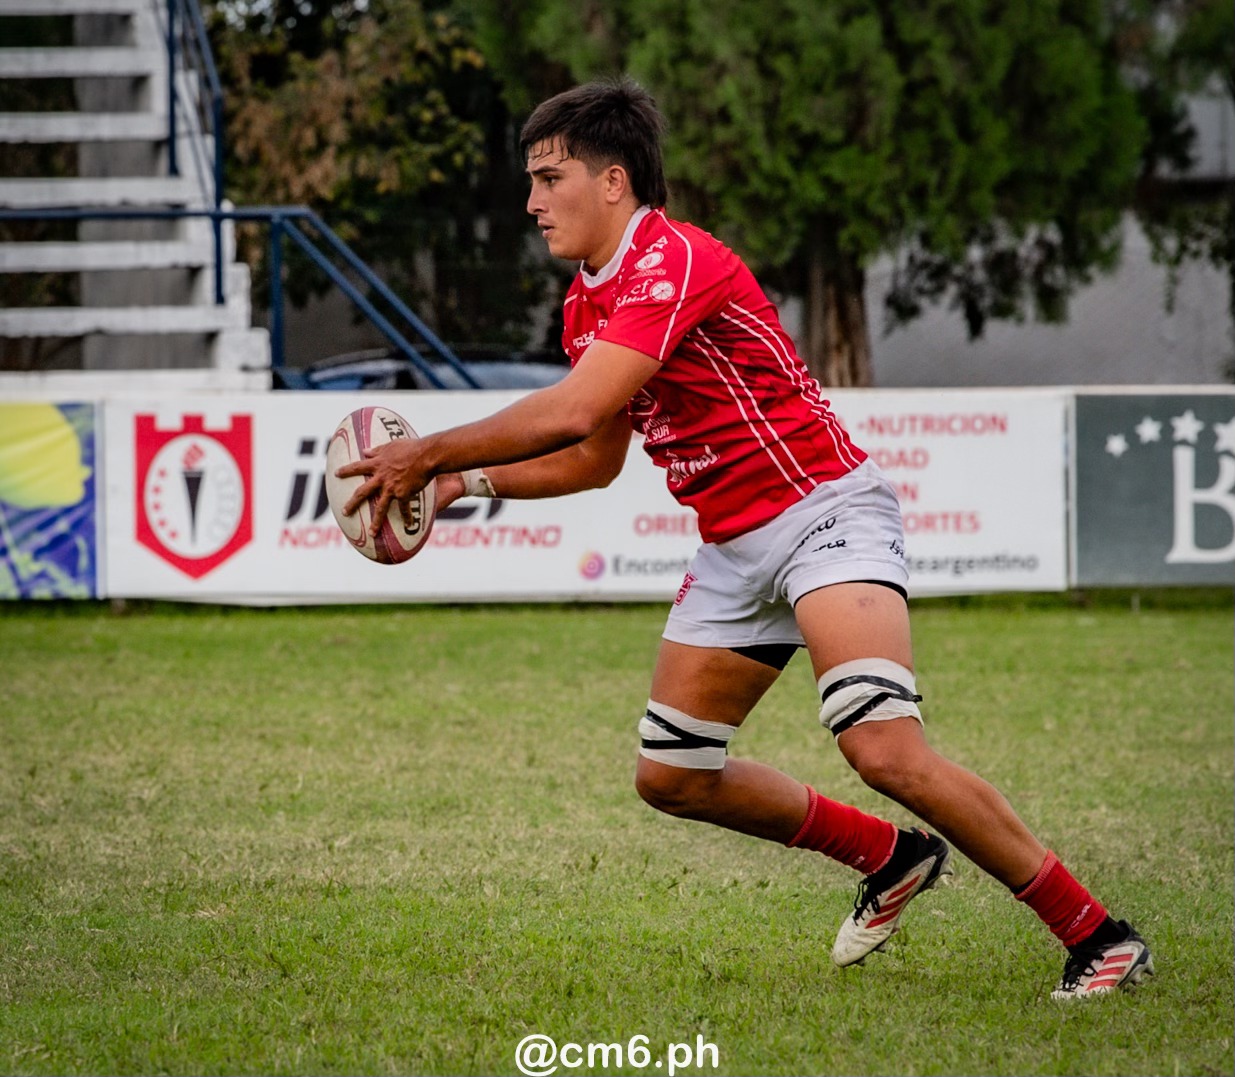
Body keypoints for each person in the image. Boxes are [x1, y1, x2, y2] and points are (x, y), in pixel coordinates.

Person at [338, 77, 1154, 999]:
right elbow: (592, 455)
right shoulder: (583, 304)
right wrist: (456, 480)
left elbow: (576, 406)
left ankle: (1099, 936)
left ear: (613, 181)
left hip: (823, 514)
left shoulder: (672, 259)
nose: (531, 202)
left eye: (547, 176)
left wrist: (426, 451)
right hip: (734, 547)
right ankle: (891, 858)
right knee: (672, 773)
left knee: (882, 749)